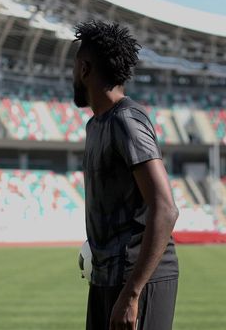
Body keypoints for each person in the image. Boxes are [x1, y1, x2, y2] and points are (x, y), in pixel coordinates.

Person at [73, 20, 180, 330]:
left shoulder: (126, 121)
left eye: (73, 66)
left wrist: (132, 294)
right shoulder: (95, 125)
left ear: (84, 68)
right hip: (107, 277)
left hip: (137, 281)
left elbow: (165, 208)